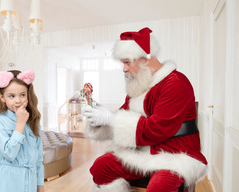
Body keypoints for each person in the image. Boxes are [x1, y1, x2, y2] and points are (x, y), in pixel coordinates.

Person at [82, 27, 208, 192]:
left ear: (145, 59)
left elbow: (157, 129)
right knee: (100, 167)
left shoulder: (176, 83)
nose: (124, 69)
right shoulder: (139, 85)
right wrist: (98, 116)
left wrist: (111, 119)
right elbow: (122, 114)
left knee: (159, 188)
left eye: (127, 62)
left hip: (174, 155)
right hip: (139, 152)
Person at [0, 69, 44, 192]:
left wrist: (40, 186)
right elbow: (9, 154)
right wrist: (20, 123)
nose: (18, 100)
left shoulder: (33, 120)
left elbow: (38, 157)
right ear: (2, 97)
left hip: (31, 181)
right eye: (11, 96)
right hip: (8, 181)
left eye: (22, 95)